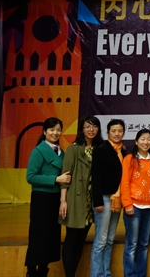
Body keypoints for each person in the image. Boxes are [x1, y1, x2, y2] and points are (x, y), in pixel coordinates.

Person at [25, 117, 71, 277]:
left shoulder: (62, 152)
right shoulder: (38, 151)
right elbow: (30, 177)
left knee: (51, 236)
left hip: (55, 199)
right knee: (38, 236)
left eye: (58, 130)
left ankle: (43, 271)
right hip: (41, 199)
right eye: (52, 130)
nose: (55, 133)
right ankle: (31, 272)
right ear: (45, 131)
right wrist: (56, 179)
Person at [59, 116, 104, 277]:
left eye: (94, 126)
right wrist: (63, 201)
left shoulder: (100, 148)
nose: (91, 130)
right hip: (75, 200)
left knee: (80, 241)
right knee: (71, 238)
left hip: (91, 201)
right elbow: (65, 176)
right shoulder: (74, 149)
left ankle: (73, 273)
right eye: (87, 127)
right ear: (82, 129)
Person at [90, 118, 126, 277]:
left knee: (110, 239)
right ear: (108, 132)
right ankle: (96, 274)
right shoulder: (101, 149)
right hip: (104, 200)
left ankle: (106, 273)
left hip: (117, 200)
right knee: (101, 241)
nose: (117, 134)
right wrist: (97, 201)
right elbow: (95, 177)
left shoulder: (123, 151)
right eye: (114, 131)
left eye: (120, 131)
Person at [120, 128, 150, 277]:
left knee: (143, 244)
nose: (145, 142)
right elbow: (124, 182)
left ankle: (141, 274)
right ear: (136, 141)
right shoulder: (129, 159)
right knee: (132, 244)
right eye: (142, 139)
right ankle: (130, 274)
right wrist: (127, 204)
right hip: (134, 207)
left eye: (148, 139)